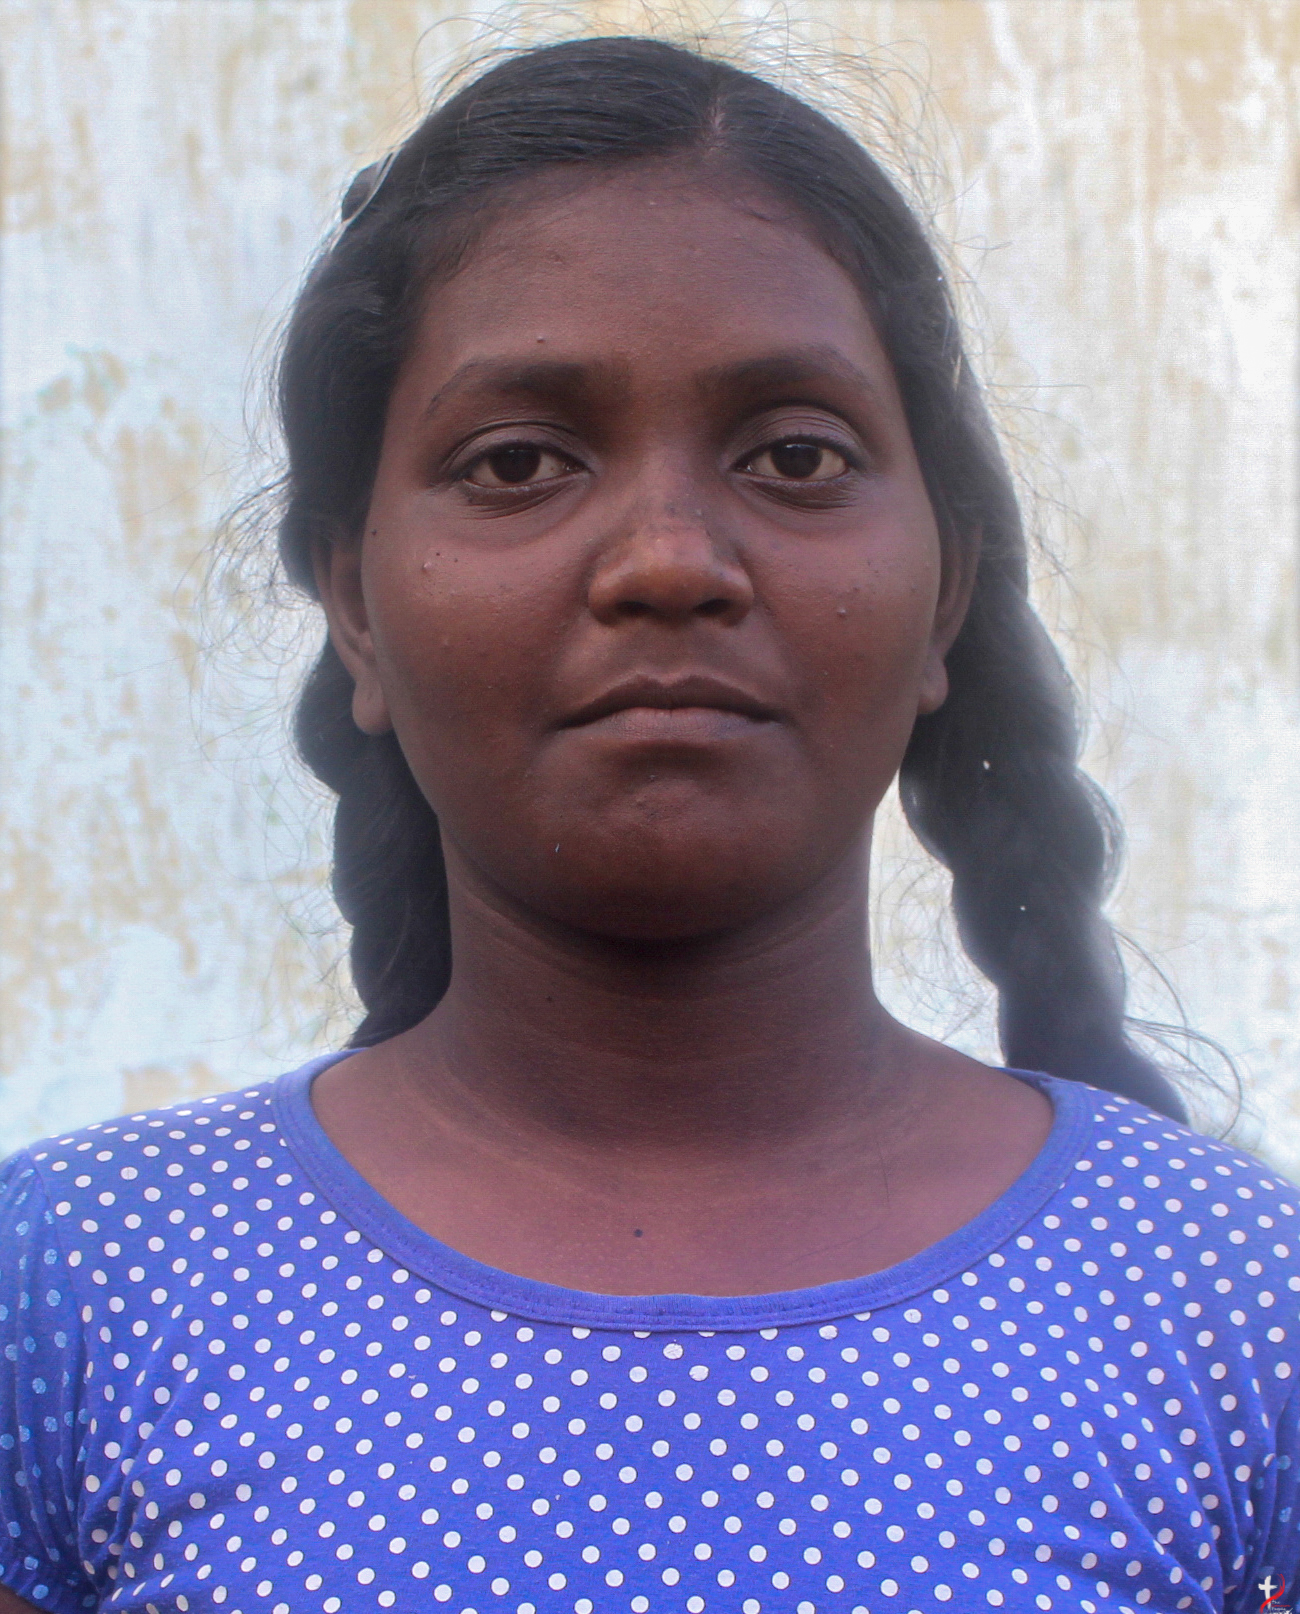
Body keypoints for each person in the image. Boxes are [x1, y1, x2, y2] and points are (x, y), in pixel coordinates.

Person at [0, 35, 1294, 1614]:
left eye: (796, 456)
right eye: (518, 462)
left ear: (946, 588)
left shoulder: (1238, 1309)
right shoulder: (76, 1286)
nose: (670, 558)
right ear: (354, 603)